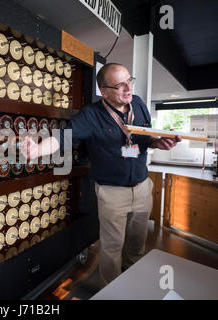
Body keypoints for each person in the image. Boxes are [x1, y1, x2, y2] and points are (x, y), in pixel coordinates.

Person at [22, 63, 182, 286]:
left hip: (143, 186)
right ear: (104, 91)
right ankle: (112, 288)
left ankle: (133, 275)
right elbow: (63, 137)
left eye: (129, 81)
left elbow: (144, 138)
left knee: (137, 241)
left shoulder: (138, 104)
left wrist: (158, 142)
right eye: (120, 85)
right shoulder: (91, 115)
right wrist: (38, 149)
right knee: (112, 246)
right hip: (112, 192)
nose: (128, 88)